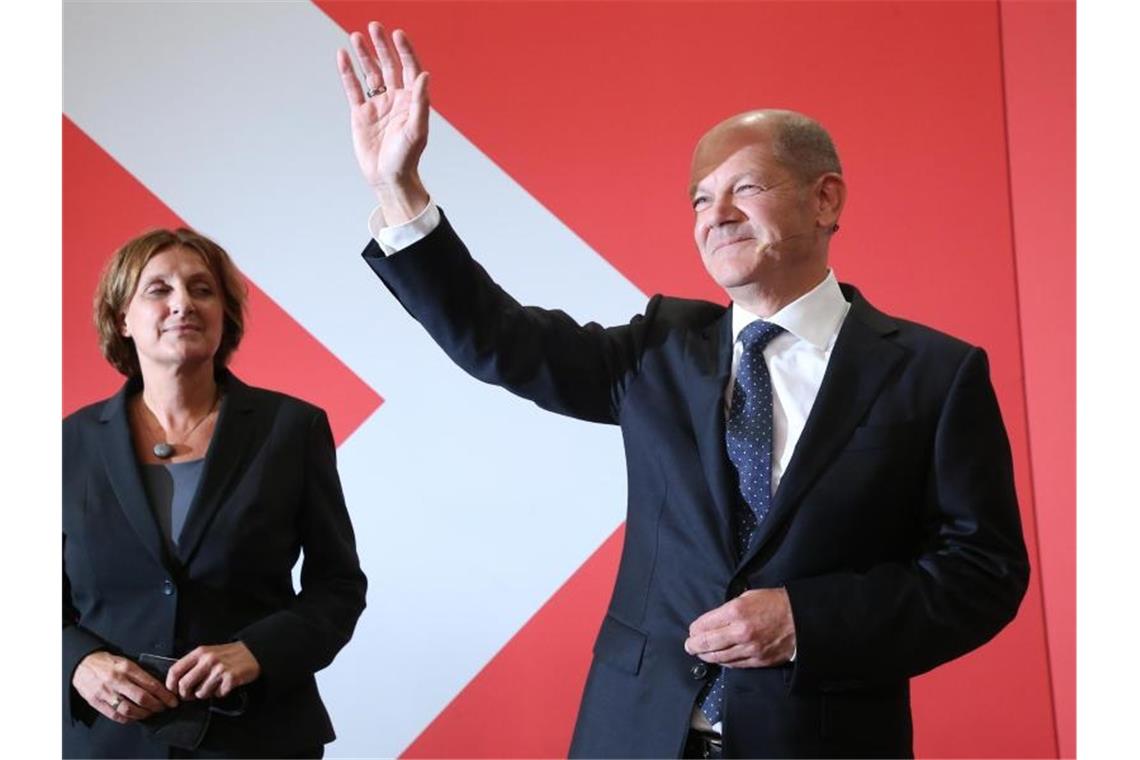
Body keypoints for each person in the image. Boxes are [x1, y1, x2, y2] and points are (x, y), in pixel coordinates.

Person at [336, 23, 1029, 759]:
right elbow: (498, 340)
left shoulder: (933, 373)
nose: (716, 216)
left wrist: (809, 619)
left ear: (826, 200)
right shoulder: (659, 347)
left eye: (746, 188)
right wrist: (398, 189)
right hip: (634, 734)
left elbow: (981, 573)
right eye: (700, 199)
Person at [63, 228, 367, 758]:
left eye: (202, 290)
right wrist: (77, 663)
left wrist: (258, 652)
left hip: (256, 737)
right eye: (158, 290)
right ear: (121, 319)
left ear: (225, 314)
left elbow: (338, 586)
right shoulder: (65, 444)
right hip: (108, 743)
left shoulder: (291, 429)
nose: (183, 303)